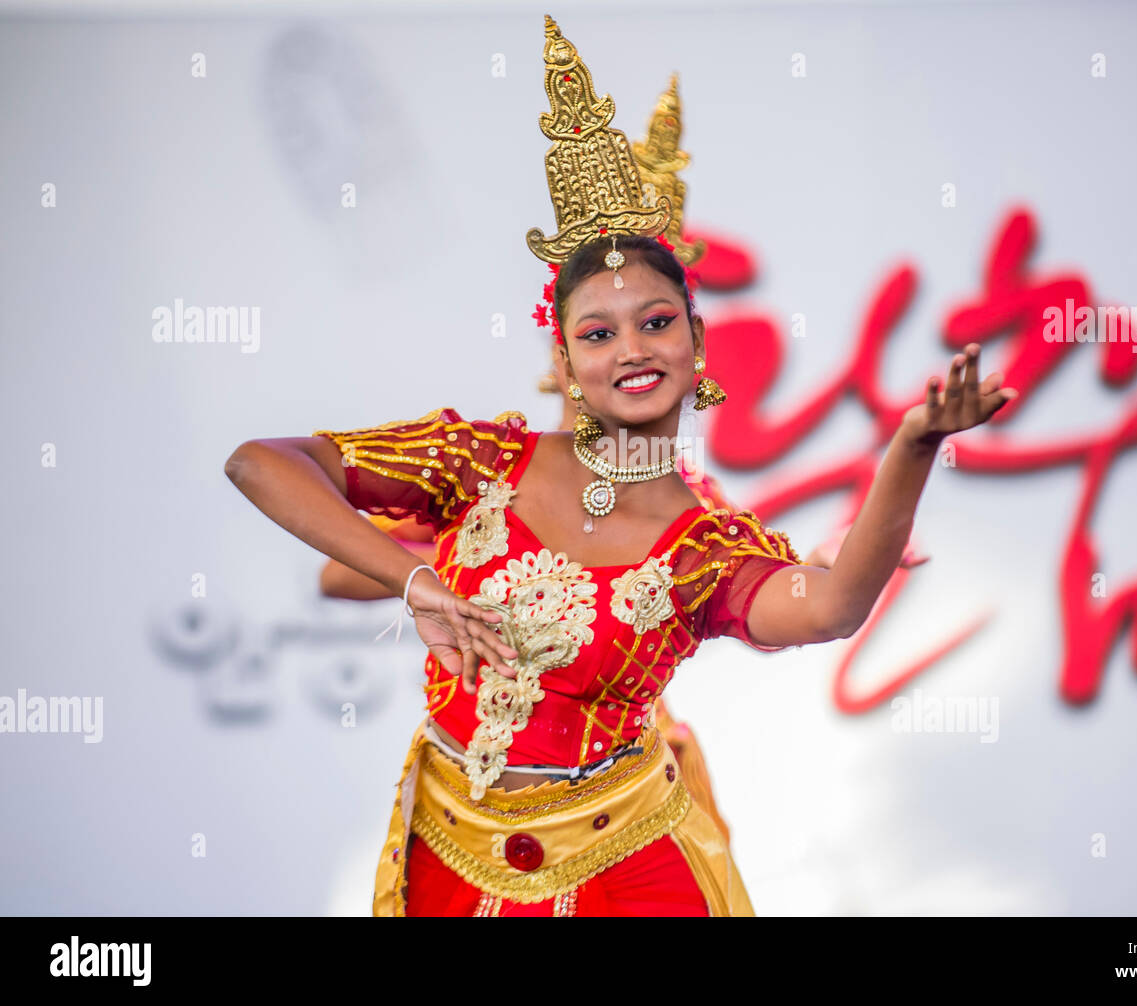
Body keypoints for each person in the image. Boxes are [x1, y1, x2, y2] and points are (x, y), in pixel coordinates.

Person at [223, 16, 1016, 917]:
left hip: (627, 861)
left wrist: (911, 448)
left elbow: (829, 605)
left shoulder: (701, 543)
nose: (630, 349)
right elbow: (260, 467)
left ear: (697, 342)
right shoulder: (480, 465)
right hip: (448, 847)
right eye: (597, 333)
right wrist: (418, 581)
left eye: (656, 322)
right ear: (559, 362)